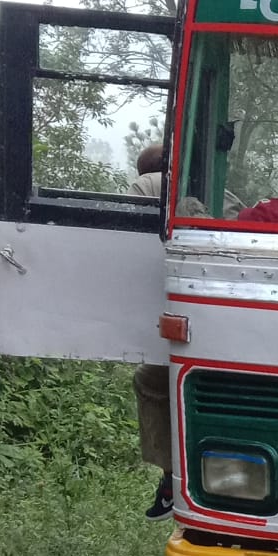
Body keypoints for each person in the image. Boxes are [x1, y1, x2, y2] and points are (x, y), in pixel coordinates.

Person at [128, 142, 173, 519]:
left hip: (181, 305)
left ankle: (172, 477)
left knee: (151, 378)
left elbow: (133, 233)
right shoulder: (220, 190)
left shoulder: (146, 188)